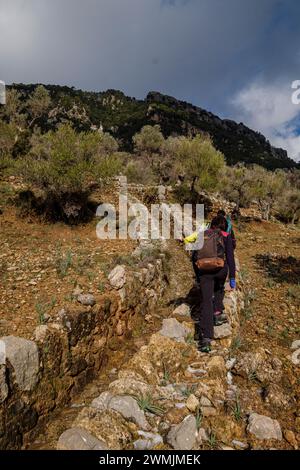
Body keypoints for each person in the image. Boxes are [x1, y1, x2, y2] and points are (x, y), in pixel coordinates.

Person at [195, 214, 236, 353]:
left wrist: (198, 276)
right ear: (225, 226)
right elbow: (230, 258)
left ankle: (206, 339)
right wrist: (232, 278)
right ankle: (217, 313)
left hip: (204, 271)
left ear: (211, 225)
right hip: (220, 269)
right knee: (219, 287)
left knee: (206, 301)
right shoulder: (226, 235)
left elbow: (194, 257)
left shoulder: (202, 234)